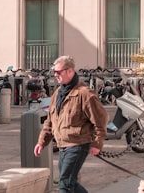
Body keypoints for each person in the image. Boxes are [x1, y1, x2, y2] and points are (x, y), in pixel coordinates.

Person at [34, 55, 108, 193]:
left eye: (58, 72)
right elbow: (50, 120)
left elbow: (101, 120)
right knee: (70, 183)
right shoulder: (58, 93)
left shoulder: (85, 94)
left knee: (65, 184)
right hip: (62, 145)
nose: (55, 75)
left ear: (70, 71)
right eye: (54, 72)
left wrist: (97, 144)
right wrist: (42, 142)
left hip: (78, 145)